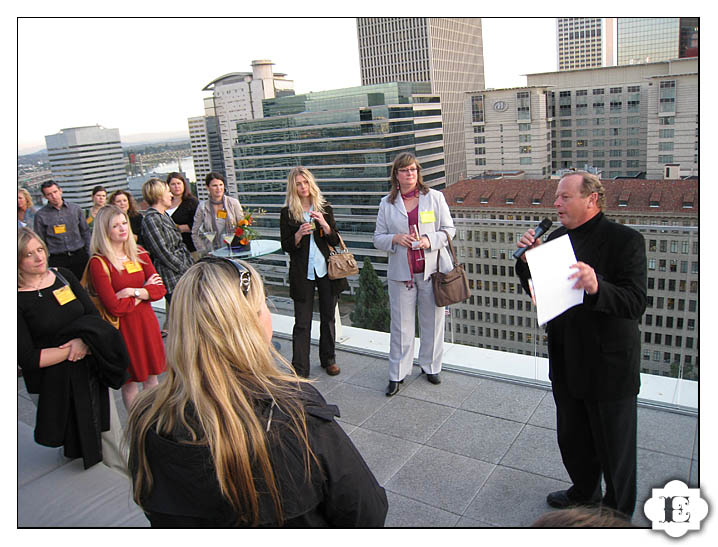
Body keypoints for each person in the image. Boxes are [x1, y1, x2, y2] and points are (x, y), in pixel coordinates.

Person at [126, 258, 388, 527]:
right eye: (264, 304)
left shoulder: (148, 420)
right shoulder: (295, 418)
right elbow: (366, 512)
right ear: (249, 326)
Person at [515, 171, 647, 520]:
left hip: (608, 366)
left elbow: (634, 302)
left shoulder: (625, 241)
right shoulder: (557, 238)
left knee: (614, 450)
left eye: (564, 197)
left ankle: (616, 517)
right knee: (573, 440)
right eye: (556, 197)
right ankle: (584, 493)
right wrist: (526, 261)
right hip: (567, 357)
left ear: (592, 199)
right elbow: (537, 287)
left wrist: (596, 285)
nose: (556, 203)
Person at [17, 227, 130, 469]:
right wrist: (72, 349)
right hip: (52, 384)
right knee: (72, 448)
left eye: (40, 250)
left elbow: (93, 318)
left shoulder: (64, 277)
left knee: (110, 438)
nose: (39, 258)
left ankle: (125, 489)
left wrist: (85, 343)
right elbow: (28, 358)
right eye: (28, 254)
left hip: (90, 370)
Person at [373, 153, 456, 396]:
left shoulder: (434, 198)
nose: (410, 174)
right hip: (402, 275)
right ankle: (397, 374)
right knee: (401, 327)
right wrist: (396, 239)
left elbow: (449, 230)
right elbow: (378, 238)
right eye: (405, 170)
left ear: (418, 173)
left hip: (432, 272)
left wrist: (428, 240)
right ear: (396, 175)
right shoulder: (386, 203)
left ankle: (430, 367)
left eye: (413, 170)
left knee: (433, 322)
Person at [88, 205, 167, 411]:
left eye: (124, 223)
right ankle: (137, 425)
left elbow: (160, 289)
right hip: (125, 330)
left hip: (146, 323)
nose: (123, 229)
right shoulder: (99, 263)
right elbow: (114, 307)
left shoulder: (139, 252)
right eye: (115, 226)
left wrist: (133, 292)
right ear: (105, 231)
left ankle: (156, 420)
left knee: (152, 378)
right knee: (131, 381)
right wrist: (145, 292)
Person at [280, 167, 347, 378]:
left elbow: (335, 240)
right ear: (293, 187)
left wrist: (325, 226)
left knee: (328, 317)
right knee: (302, 321)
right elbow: (286, 246)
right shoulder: (288, 212)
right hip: (302, 272)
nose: (303, 187)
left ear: (311, 184)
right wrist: (299, 234)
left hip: (327, 270)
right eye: (298, 184)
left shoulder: (324, 207)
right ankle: (300, 368)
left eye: (305, 182)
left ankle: (329, 359)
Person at [140, 178, 194, 316]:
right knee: (185, 315)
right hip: (173, 277)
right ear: (158, 195)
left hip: (182, 272)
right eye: (168, 192)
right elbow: (163, 253)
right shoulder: (151, 219)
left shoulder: (164, 216)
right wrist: (185, 269)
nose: (171, 195)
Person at [34, 180, 91, 280]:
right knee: (65, 290)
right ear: (45, 197)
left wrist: (89, 252)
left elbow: (85, 232)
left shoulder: (76, 209)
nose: (54, 196)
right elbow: (40, 241)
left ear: (60, 191)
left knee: (85, 285)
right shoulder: (40, 215)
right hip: (57, 259)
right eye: (49, 194)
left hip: (79, 255)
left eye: (55, 192)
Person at [191, 172, 243, 254]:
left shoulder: (233, 203)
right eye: (214, 185)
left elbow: (243, 227)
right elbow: (195, 233)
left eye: (221, 184)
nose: (218, 188)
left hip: (233, 250)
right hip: (212, 253)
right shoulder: (202, 207)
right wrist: (203, 251)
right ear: (207, 187)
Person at [166, 172, 199, 256]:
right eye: (173, 184)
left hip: (190, 247)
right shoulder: (165, 202)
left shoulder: (191, 202)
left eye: (179, 183)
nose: (177, 186)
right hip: (172, 250)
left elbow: (198, 224)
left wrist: (180, 228)